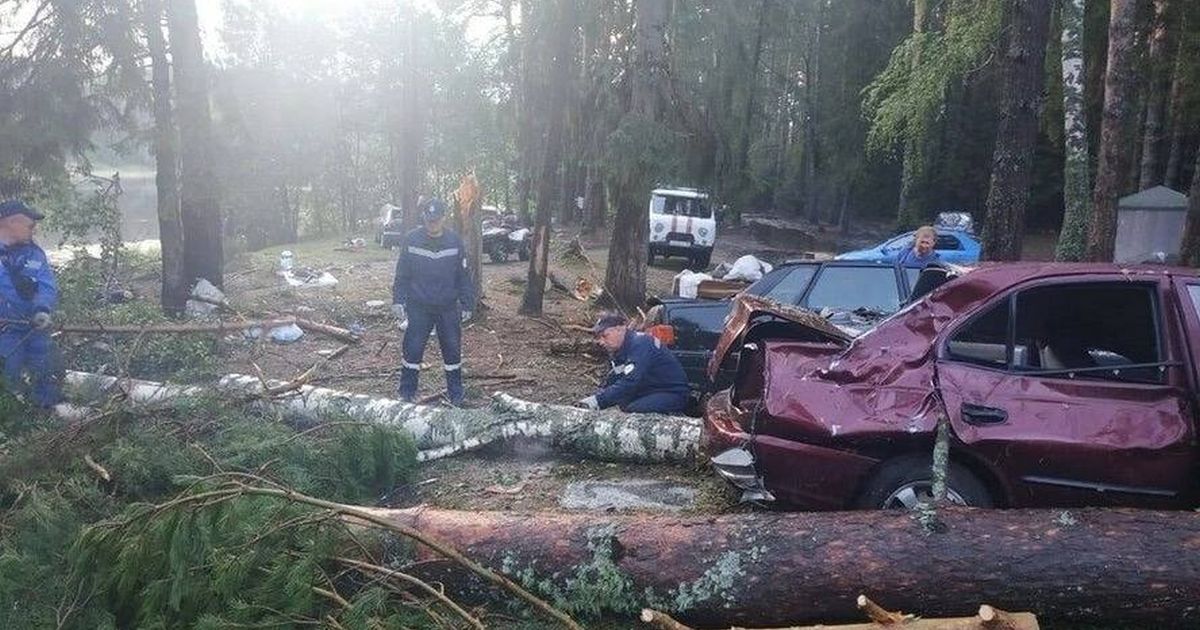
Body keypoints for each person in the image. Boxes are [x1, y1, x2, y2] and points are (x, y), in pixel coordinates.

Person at [392, 198, 475, 405]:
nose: (432, 225)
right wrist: (398, 300)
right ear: (424, 218)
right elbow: (402, 273)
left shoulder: (455, 241)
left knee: (452, 351)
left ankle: (456, 395)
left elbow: (463, 275)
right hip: (419, 306)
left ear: (444, 218)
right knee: (412, 349)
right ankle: (406, 393)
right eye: (429, 221)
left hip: (447, 308)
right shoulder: (411, 240)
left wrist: (467, 302)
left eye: (436, 220)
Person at [0, 199, 61, 408]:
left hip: (35, 328)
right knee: (8, 379)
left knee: (45, 372)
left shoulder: (35, 254)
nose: (33, 230)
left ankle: (44, 417)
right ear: (12, 222)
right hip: (5, 333)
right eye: (30, 225)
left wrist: (42, 309)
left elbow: (46, 285)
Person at [576, 313, 690, 414]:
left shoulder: (640, 344)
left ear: (620, 329)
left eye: (605, 335)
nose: (600, 342)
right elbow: (613, 379)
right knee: (624, 403)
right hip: (650, 390)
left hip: (671, 393)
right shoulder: (619, 351)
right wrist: (596, 399)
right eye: (598, 337)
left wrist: (598, 401)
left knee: (634, 410)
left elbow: (630, 381)